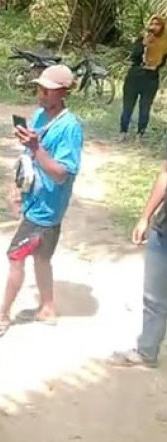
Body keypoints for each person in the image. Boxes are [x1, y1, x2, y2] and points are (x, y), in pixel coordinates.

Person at [0, 65, 83, 338]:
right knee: (42, 259)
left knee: (15, 257)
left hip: (45, 209)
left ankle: (3, 313)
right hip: (36, 202)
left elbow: (61, 173)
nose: (40, 94)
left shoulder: (70, 127)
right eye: (39, 88)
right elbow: (29, 156)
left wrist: (35, 147)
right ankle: (48, 308)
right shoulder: (42, 115)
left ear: (63, 92)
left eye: (46, 90)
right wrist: (16, 185)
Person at [109, 161, 167, 368]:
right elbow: (165, 174)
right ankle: (147, 351)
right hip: (163, 231)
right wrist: (145, 217)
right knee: (154, 299)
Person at [119, 15, 167, 142]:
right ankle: (123, 132)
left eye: (158, 24)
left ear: (162, 27)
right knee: (127, 106)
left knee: (145, 107)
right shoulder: (141, 39)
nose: (154, 27)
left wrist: (155, 66)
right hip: (135, 76)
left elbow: (163, 61)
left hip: (151, 78)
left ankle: (140, 135)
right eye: (153, 23)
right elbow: (133, 57)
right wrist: (143, 45)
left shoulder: (164, 42)